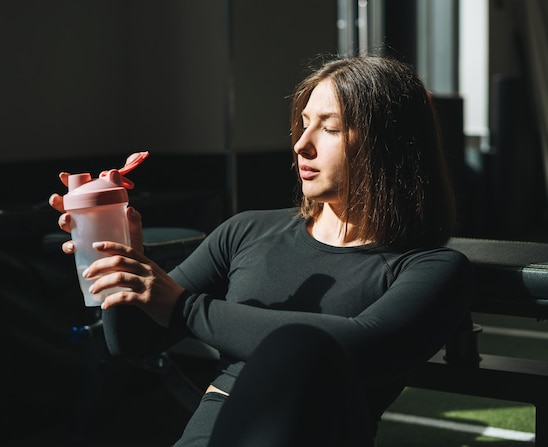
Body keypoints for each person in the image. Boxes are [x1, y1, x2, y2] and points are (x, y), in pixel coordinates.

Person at [49, 53, 474, 446]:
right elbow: (134, 342)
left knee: (301, 348)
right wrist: (118, 258)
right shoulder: (247, 232)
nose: (301, 144)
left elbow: (357, 350)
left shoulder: (431, 268)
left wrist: (185, 308)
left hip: (316, 433)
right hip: (213, 434)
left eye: (329, 128)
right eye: (303, 123)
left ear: (389, 144)